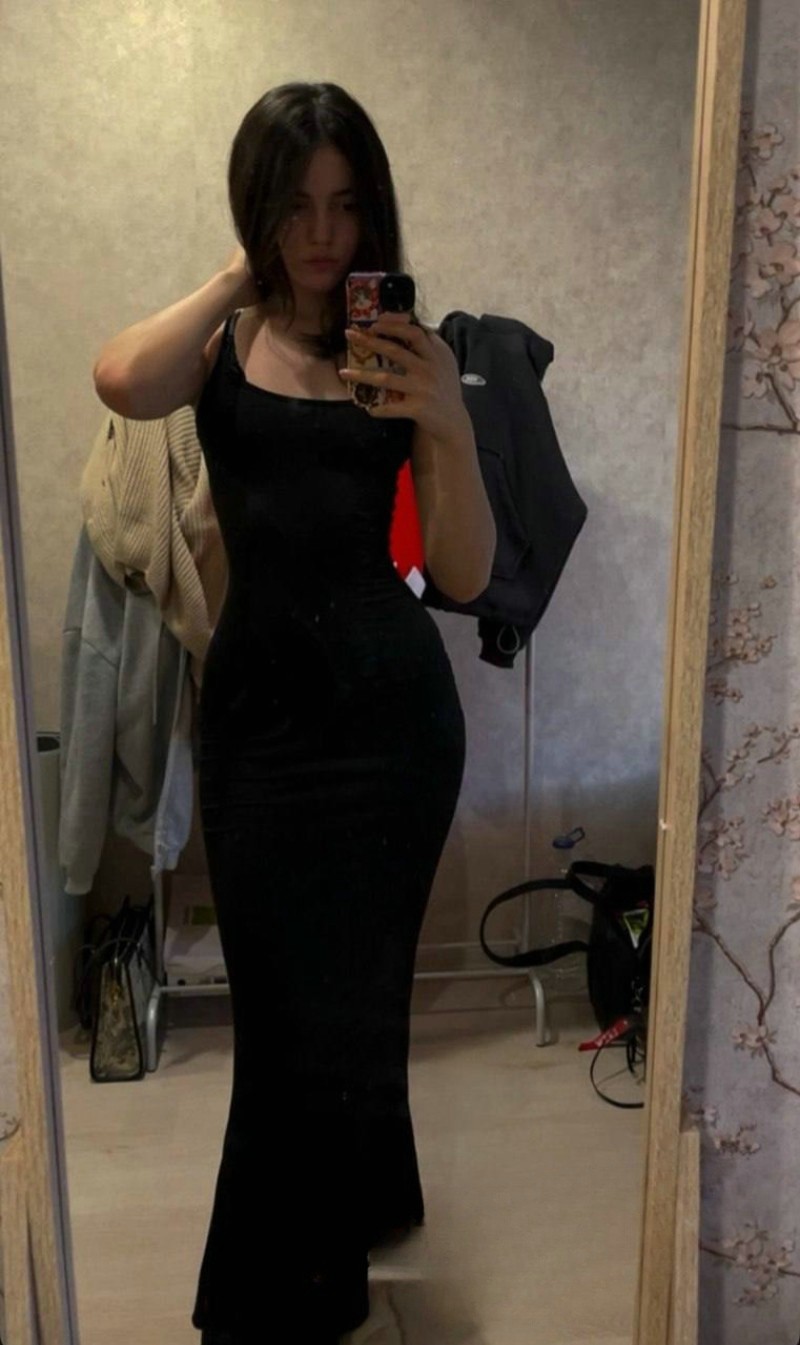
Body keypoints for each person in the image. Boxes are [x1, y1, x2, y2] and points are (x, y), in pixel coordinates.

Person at [93, 80, 495, 1344]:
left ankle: (325, 1270)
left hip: (392, 727)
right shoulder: (222, 345)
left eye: (345, 206)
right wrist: (239, 269)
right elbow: (120, 379)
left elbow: (464, 574)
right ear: (258, 209)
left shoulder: (409, 359)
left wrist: (446, 421)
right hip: (260, 725)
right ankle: (284, 1286)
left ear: (374, 213)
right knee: (281, 1019)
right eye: (294, 205)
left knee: (359, 1004)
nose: (323, 234)